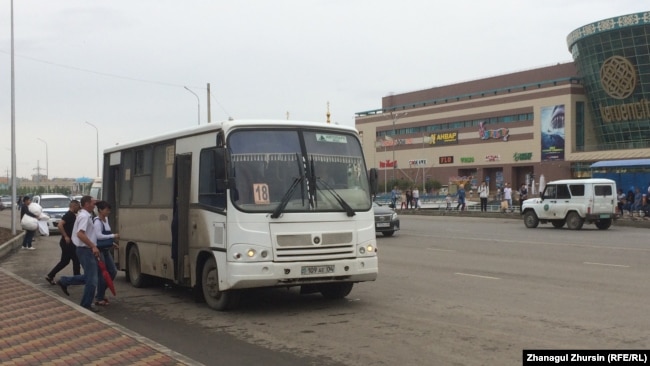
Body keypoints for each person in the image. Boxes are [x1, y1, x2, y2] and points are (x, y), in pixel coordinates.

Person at [56, 196, 101, 312]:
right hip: (85, 250)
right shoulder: (84, 216)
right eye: (92, 203)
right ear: (86, 204)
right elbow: (80, 234)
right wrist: (93, 246)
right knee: (92, 280)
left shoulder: (85, 215)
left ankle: (65, 281)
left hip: (86, 250)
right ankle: (86, 304)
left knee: (90, 277)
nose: (94, 205)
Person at [45, 200, 81, 285]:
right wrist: (65, 236)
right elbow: (60, 225)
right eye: (78, 206)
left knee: (65, 261)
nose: (79, 208)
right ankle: (77, 278)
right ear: (74, 206)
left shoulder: (72, 215)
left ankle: (50, 275)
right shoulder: (69, 215)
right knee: (76, 260)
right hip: (68, 242)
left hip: (68, 242)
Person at [93, 201, 119, 306]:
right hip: (99, 250)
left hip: (106, 249)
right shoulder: (97, 221)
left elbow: (105, 235)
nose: (108, 212)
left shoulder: (106, 219)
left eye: (109, 210)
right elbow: (98, 236)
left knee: (112, 271)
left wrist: (111, 242)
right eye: (106, 210)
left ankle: (100, 292)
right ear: (100, 210)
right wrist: (113, 236)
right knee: (103, 274)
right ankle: (99, 297)